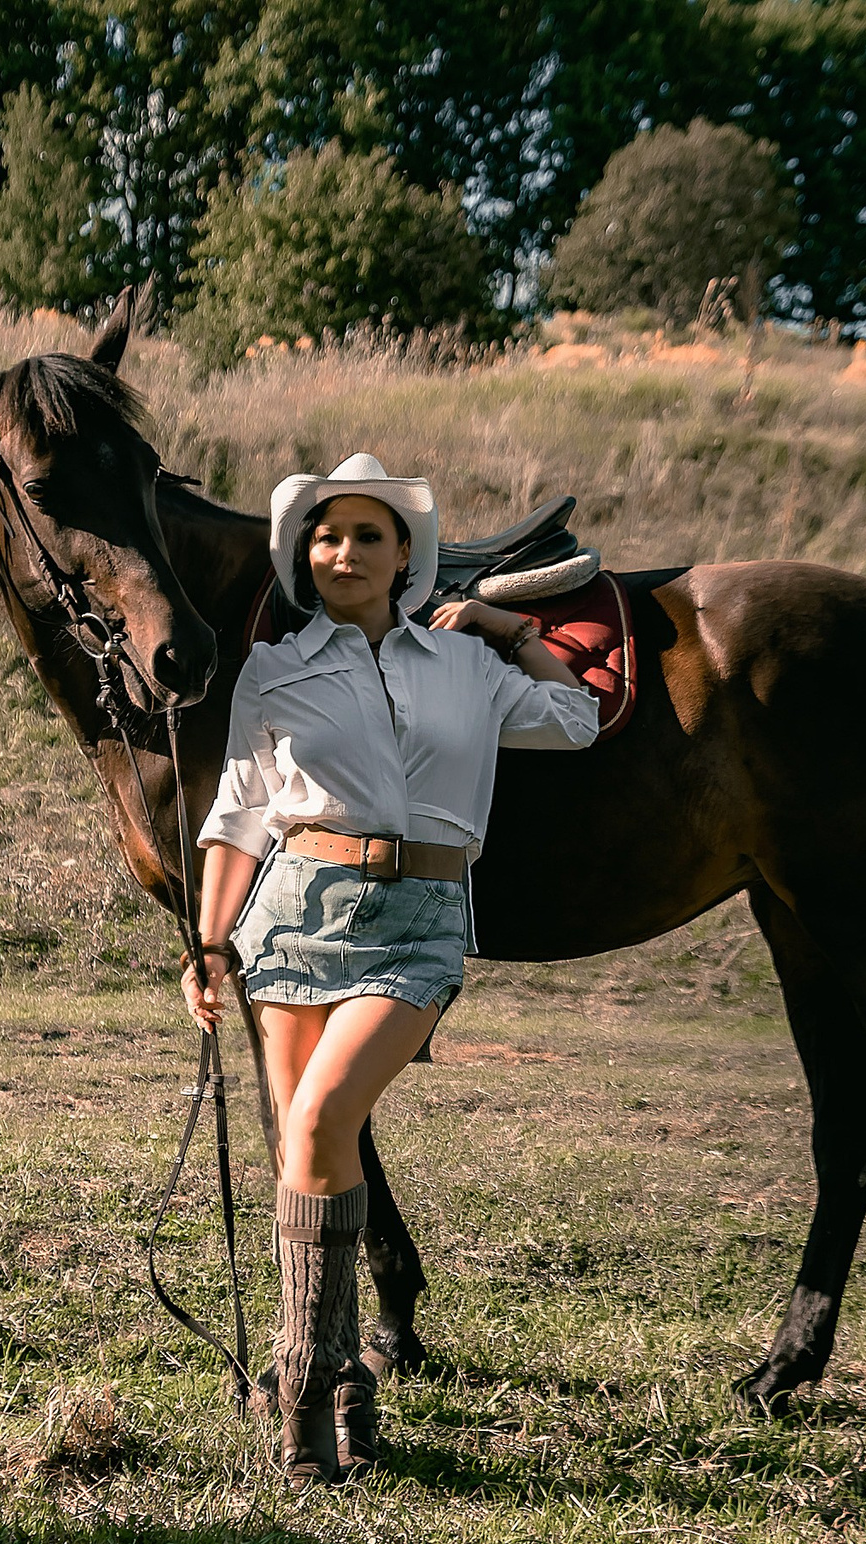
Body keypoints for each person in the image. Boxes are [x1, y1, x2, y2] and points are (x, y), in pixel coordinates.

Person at [184, 453, 600, 1484]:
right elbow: (237, 813)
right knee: (303, 1147)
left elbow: (579, 720)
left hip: (419, 919)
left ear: (404, 555)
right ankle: (327, 1394)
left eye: (368, 534)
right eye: (326, 536)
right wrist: (206, 937)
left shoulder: (465, 667)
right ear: (303, 557)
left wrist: (506, 631)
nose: (345, 551)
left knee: (323, 1121)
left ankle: (302, 1375)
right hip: (291, 914)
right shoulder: (275, 670)